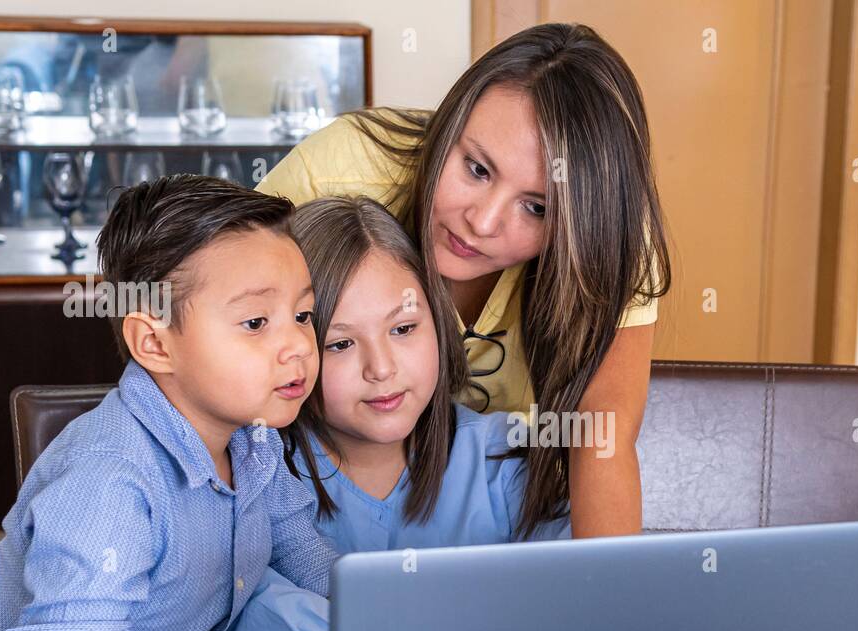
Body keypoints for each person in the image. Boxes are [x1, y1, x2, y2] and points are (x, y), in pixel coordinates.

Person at [0, 175, 337, 631]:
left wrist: (401, 625)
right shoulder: (110, 482)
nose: (299, 347)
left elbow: (313, 565)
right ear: (154, 344)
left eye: (303, 315)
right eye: (256, 323)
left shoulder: (254, 443)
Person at [256, 22, 671, 539]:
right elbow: (220, 327)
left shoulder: (614, 240)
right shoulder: (342, 172)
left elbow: (600, 432)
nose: (484, 222)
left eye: (537, 207)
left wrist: (609, 609)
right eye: (476, 169)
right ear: (448, 125)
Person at [222, 195, 568, 631]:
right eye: (340, 343)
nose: (381, 368)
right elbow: (239, 601)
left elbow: (575, 590)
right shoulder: (257, 473)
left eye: (404, 329)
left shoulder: (503, 460)